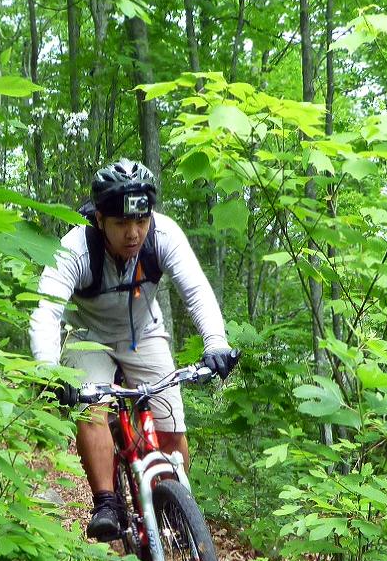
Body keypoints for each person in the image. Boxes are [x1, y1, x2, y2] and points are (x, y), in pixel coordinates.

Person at [29, 158, 236, 541]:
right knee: (92, 410)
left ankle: (174, 509)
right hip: (89, 336)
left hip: (144, 333)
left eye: (140, 221)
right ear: (100, 220)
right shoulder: (75, 246)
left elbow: (196, 291)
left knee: (171, 427)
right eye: (122, 223)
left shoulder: (163, 236)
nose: (134, 232)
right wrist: (48, 371)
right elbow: (46, 309)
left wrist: (216, 343)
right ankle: (107, 501)